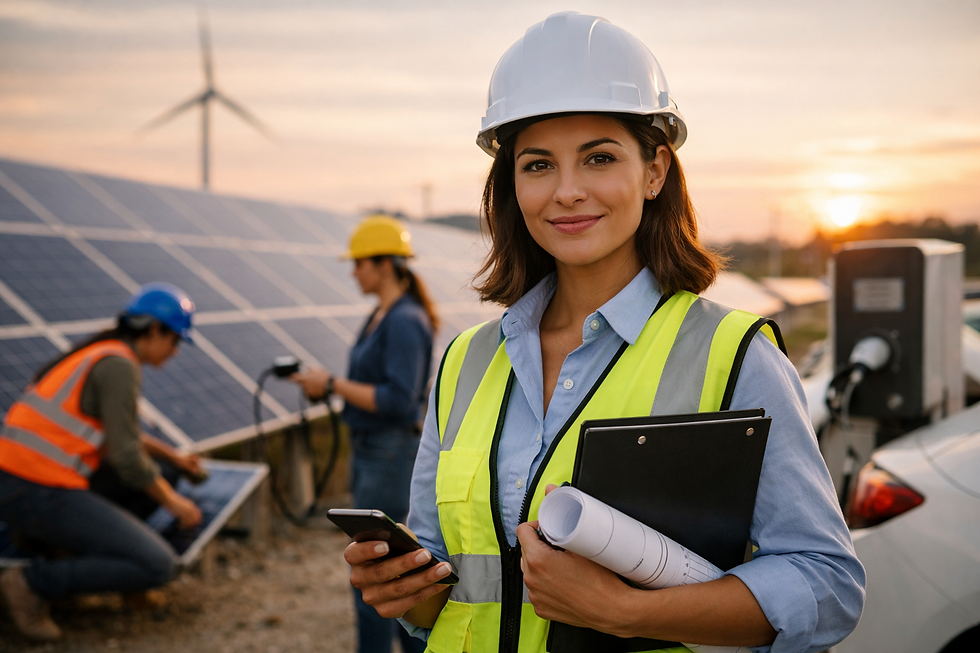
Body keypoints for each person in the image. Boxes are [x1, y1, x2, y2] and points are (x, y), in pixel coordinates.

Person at [343, 12, 866, 653]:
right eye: (538, 165)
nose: (566, 191)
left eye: (598, 158)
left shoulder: (732, 356)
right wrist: (407, 590)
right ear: (510, 182)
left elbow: (826, 583)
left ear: (655, 171)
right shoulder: (465, 362)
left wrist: (625, 611)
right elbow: (457, 590)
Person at [0, 282, 203, 641]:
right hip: (36, 487)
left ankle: (64, 549)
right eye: (175, 341)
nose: (174, 353)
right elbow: (126, 457)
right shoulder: (119, 366)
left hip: (23, 480)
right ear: (155, 330)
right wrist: (175, 505)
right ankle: (32, 583)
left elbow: (120, 435)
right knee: (156, 564)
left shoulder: (101, 353)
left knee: (167, 473)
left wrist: (174, 458)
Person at [291, 214, 437, 653]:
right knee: (385, 570)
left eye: (359, 263)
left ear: (384, 264)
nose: (354, 272)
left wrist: (332, 385)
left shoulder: (404, 321)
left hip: (390, 456)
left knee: (381, 571)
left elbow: (397, 400)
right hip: (373, 452)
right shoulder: (384, 314)